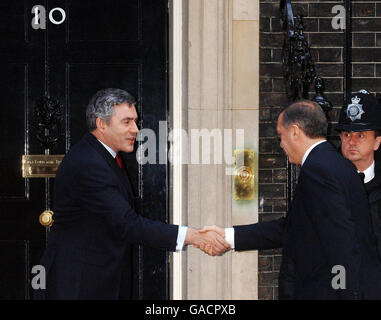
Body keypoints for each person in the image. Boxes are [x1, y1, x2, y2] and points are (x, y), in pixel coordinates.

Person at [35, 88, 229, 300]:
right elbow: (127, 224)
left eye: (135, 121)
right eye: (126, 122)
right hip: (78, 283)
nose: (136, 129)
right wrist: (193, 236)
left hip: (94, 278)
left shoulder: (103, 157)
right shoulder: (89, 163)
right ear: (102, 124)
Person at [201, 99, 381, 299]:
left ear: (295, 131)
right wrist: (227, 236)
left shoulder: (318, 169)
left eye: (281, 135)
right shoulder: (331, 162)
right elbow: (292, 228)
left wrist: (346, 293)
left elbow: (342, 245)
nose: (281, 144)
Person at [336, 90, 381, 261]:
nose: (351, 142)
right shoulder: (327, 183)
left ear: (377, 142)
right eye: (347, 134)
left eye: (360, 135)